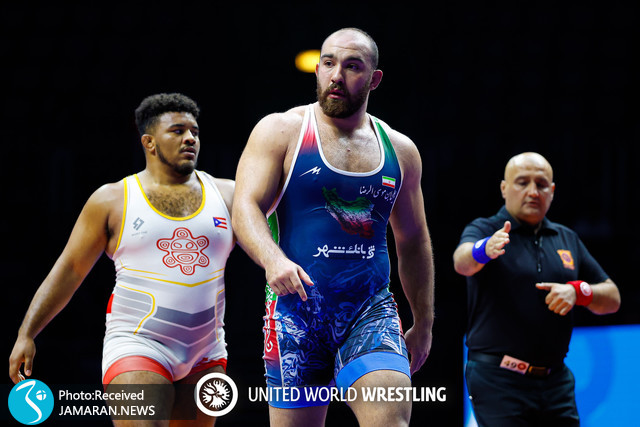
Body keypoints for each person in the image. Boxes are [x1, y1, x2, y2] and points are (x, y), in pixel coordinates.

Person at [232, 28, 434, 426]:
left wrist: (424, 322)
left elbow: (413, 239)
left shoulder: (401, 151)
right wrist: (273, 261)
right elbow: (245, 207)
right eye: (328, 63)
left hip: (370, 312)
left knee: (390, 420)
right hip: (295, 315)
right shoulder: (281, 131)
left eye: (352, 66)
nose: (337, 75)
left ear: (374, 79)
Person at [9, 93, 235, 426]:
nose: (190, 138)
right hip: (138, 344)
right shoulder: (112, 200)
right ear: (149, 142)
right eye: (177, 131)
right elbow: (70, 269)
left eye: (195, 132)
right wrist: (27, 333)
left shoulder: (228, 195)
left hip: (207, 351)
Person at [453, 152, 621, 426]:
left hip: (556, 380)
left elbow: (612, 298)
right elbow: (462, 262)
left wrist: (578, 292)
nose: (533, 192)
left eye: (541, 184)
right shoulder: (486, 228)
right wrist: (484, 249)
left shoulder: (566, 238)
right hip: (498, 378)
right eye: (522, 182)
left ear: (552, 191)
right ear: (504, 188)